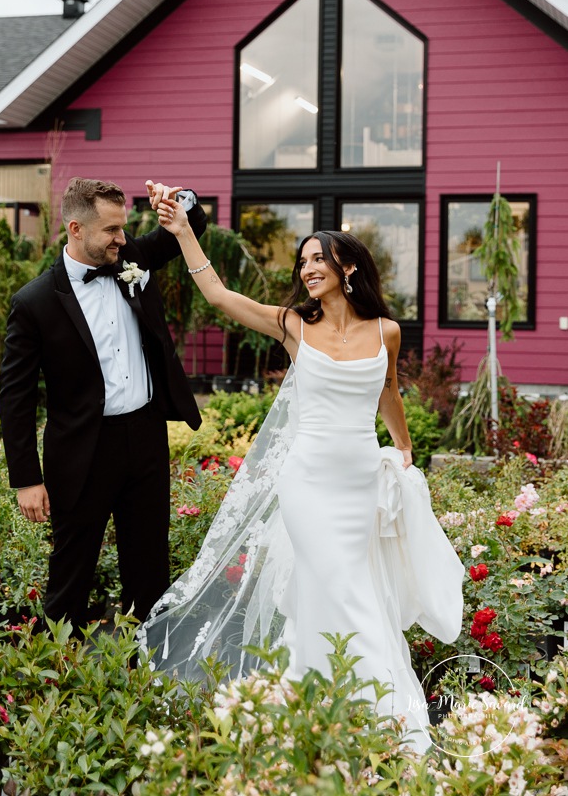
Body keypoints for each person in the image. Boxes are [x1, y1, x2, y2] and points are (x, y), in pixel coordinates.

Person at [139, 202, 464, 754]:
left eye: (320, 258)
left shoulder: (386, 331)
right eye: (304, 261)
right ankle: (355, 703)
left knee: (345, 587)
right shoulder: (293, 324)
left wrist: (404, 446)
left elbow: (388, 392)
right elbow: (220, 296)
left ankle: (343, 703)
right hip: (307, 481)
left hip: (360, 478)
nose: (308, 268)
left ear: (349, 268)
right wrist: (182, 232)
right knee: (336, 581)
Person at [0, 177, 207, 636]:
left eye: (125, 227)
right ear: (76, 228)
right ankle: (60, 677)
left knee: (148, 567)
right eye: (112, 230)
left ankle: (145, 670)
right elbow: (15, 397)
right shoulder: (34, 302)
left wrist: (177, 201)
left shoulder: (133, 259)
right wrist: (27, 479)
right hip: (82, 451)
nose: (122, 238)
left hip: (146, 437)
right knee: (71, 574)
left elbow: (196, 222)